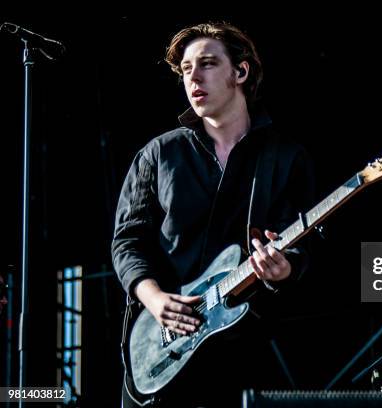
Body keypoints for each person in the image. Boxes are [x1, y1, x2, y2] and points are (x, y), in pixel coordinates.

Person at [112, 21, 315, 407]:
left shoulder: (286, 157)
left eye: (206, 64)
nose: (193, 78)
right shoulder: (159, 154)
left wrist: (285, 268)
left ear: (240, 72)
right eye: (186, 70)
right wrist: (154, 298)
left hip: (244, 353)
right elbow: (127, 242)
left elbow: (304, 249)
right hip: (161, 349)